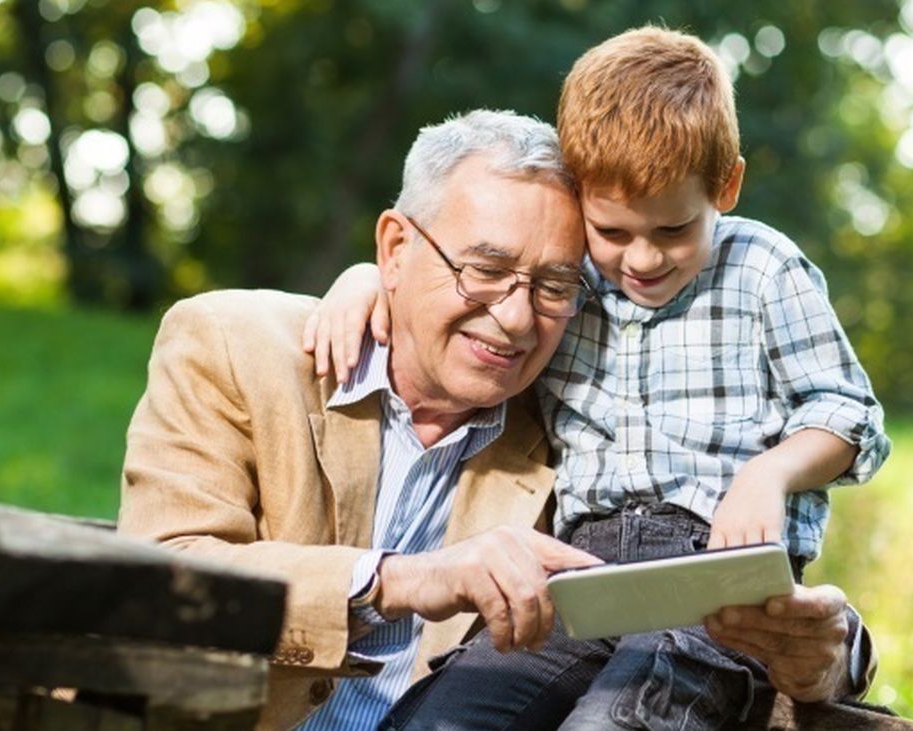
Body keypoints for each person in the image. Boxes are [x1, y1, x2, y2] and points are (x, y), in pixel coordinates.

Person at [305, 27, 891, 730]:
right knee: (450, 710)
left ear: (727, 186)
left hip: (715, 582)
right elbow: (459, 287)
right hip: (583, 572)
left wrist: (768, 474)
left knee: (618, 719)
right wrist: (368, 277)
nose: (641, 259)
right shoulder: (565, 285)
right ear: (580, 197)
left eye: (672, 231)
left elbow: (849, 413)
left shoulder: (764, 270)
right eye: (612, 233)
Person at [119, 110, 606, 731]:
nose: (516, 319)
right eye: (484, 271)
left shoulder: (572, 428)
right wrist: (398, 581)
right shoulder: (231, 344)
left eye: (554, 286)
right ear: (396, 249)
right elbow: (159, 581)